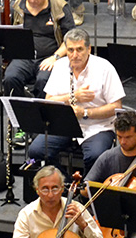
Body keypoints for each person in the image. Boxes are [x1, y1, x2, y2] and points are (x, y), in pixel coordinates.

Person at [29, 28, 125, 172]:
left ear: (89, 49)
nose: (75, 55)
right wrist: (73, 97)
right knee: (36, 151)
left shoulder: (105, 68)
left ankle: (86, 191)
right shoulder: (60, 65)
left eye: (79, 49)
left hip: (98, 127)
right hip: (65, 125)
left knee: (95, 155)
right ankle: (65, 186)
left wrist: (85, 112)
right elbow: (49, 100)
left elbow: (116, 107)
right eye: (70, 50)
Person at [2, 0, 74, 98]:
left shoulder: (60, 6)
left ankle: (41, 112)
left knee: (43, 81)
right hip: (24, 57)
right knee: (11, 78)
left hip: (50, 57)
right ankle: (18, 111)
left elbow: (70, 39)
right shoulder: (17, 5)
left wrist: (55, 57)